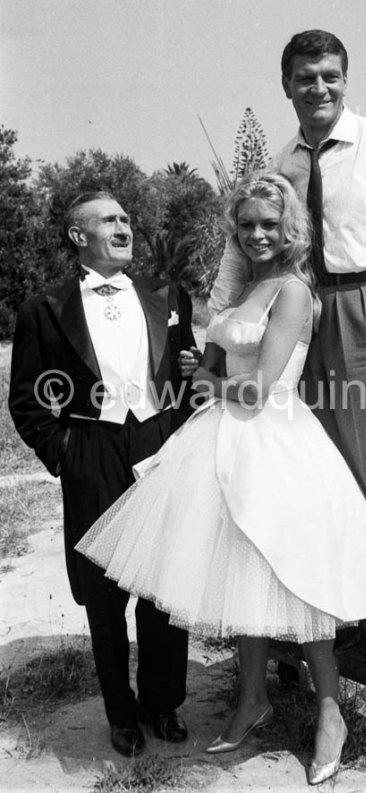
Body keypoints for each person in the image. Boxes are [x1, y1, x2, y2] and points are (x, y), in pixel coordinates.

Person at [75, 172, 366, 786]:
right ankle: (251, 698)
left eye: (270, 225)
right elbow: (210, 361)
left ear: (291, 231)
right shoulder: (248, 288)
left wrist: (209, 378)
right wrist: (203, 366)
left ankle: (330, 714)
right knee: (243, 571)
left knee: (296, 576)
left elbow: (258, 387)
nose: (258, 235)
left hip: (276, 440)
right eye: (248, 224)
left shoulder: (291, 290)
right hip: (224, 437)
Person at [209, 30, 366, 667]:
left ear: (345, 80)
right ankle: (364, 606)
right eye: (304, 77)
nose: (317, 88)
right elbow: (238, 256)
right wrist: (216, 329)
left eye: (329, 75)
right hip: (304, 314)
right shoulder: (283, 160)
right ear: (287, 85)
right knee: (327, 470)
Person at [9, 191, 195, 757]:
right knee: (104, 587)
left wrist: (182, 424)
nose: (124, 226)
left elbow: (188, 374)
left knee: (164, 582)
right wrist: (66, 451)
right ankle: (121, 714)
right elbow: (28, 400)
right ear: (77, 235)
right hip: (92, 445)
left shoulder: (168, 294)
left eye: (126, 218)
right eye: (110, 219)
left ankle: (161, 702)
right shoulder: (45, 307)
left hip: (160, 440)